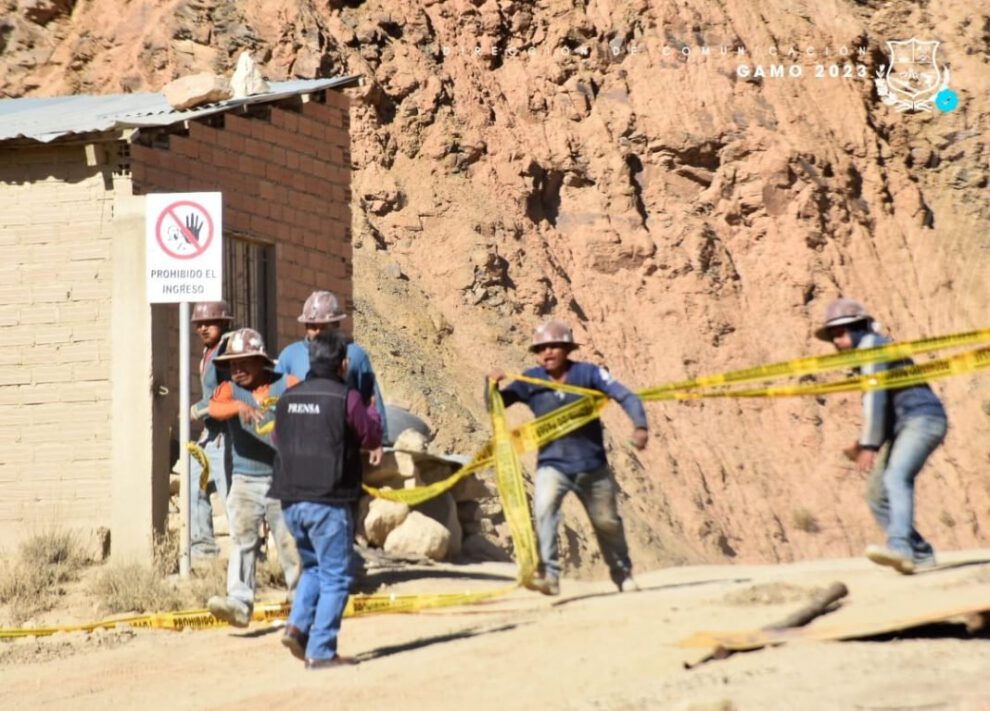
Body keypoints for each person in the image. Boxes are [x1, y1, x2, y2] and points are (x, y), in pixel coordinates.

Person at [488, 319, 649, 596]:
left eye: (553, 346)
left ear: (567, 349)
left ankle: (622, 573)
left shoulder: (589, 375)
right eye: (541, 349)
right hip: (553, 465)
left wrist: (640, 426)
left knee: (607, 522)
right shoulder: (532, 380)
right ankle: (550, 576)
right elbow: (496, 406)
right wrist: (490, 385)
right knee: (544, 510)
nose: (547, 353)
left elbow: (625, 396)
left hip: (592, 465)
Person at [270, 329, 383, 669]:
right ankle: (320, 650)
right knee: (336, 575)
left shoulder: (289, 397)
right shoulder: (345, 397)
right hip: (329, 500)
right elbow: (370, 434)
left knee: (315, 569)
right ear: (343, 363)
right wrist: (373, 411)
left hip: (290, 501)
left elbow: (277, 437)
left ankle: (297, 626)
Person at [815, 298, 948, 574]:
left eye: (840, 334)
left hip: (923, 419)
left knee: (897, 476)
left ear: (859, 328)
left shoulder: (873, 348)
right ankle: (920, 553)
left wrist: (870, 444)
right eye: (833, 337)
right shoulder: (867, 357)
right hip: (903, 426)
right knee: (877, 495)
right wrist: (863, 443)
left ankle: (900, 548)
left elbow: (876, 401)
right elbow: (885, 406)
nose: (836, 342)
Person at [206, 328, 301, 627]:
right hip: (245, 481)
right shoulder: (230, 390)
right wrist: (239, 406)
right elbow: (212, 408)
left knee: (290, 541)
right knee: (243, 541)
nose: (236, 368)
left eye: (244, 362)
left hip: (284, 480)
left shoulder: (286, 385)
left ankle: (302, 602)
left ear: (261, 362)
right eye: (232, 363)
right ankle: (239, 602)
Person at [276, 290, 387, 458]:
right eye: (313, 327)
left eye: (324, 327)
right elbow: (276, 403)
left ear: (336, 325)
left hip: (343, 448)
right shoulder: (289, 356)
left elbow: (370, 399)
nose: (318, 333)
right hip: (300, 450)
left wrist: (380, 441)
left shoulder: (355, 355)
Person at [188, 301, 234, 560]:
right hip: (210, 435)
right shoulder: (209, 351)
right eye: (199, 324)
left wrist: (198, 409)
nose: (203, 328)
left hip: (227, 435)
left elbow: (228, 391)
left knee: (230, 495)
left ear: (224, 322)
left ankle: (247, 551)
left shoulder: (228, 350)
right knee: (195, 484)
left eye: (210, 322)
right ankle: (202, 550)